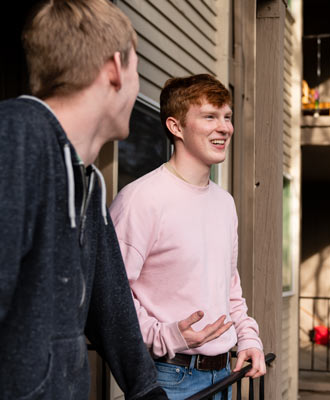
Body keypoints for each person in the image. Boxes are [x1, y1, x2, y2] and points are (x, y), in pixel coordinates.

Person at [0, 1, 167, 399]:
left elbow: (111, 306)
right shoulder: (16, 138)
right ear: (115, 67)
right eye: (137, 68)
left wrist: (146, 390)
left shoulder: (86, 178)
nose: (138, 85)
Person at [110, 74, 267, 400]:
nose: (225, 127)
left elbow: (229, 287)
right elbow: (111, 298)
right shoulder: (141, 200)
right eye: (210, 116)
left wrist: (248, 337)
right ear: (176, 127)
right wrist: (164, 335)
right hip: (170, 378)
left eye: (227, 117)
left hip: (225, 375)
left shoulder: (225, 203)